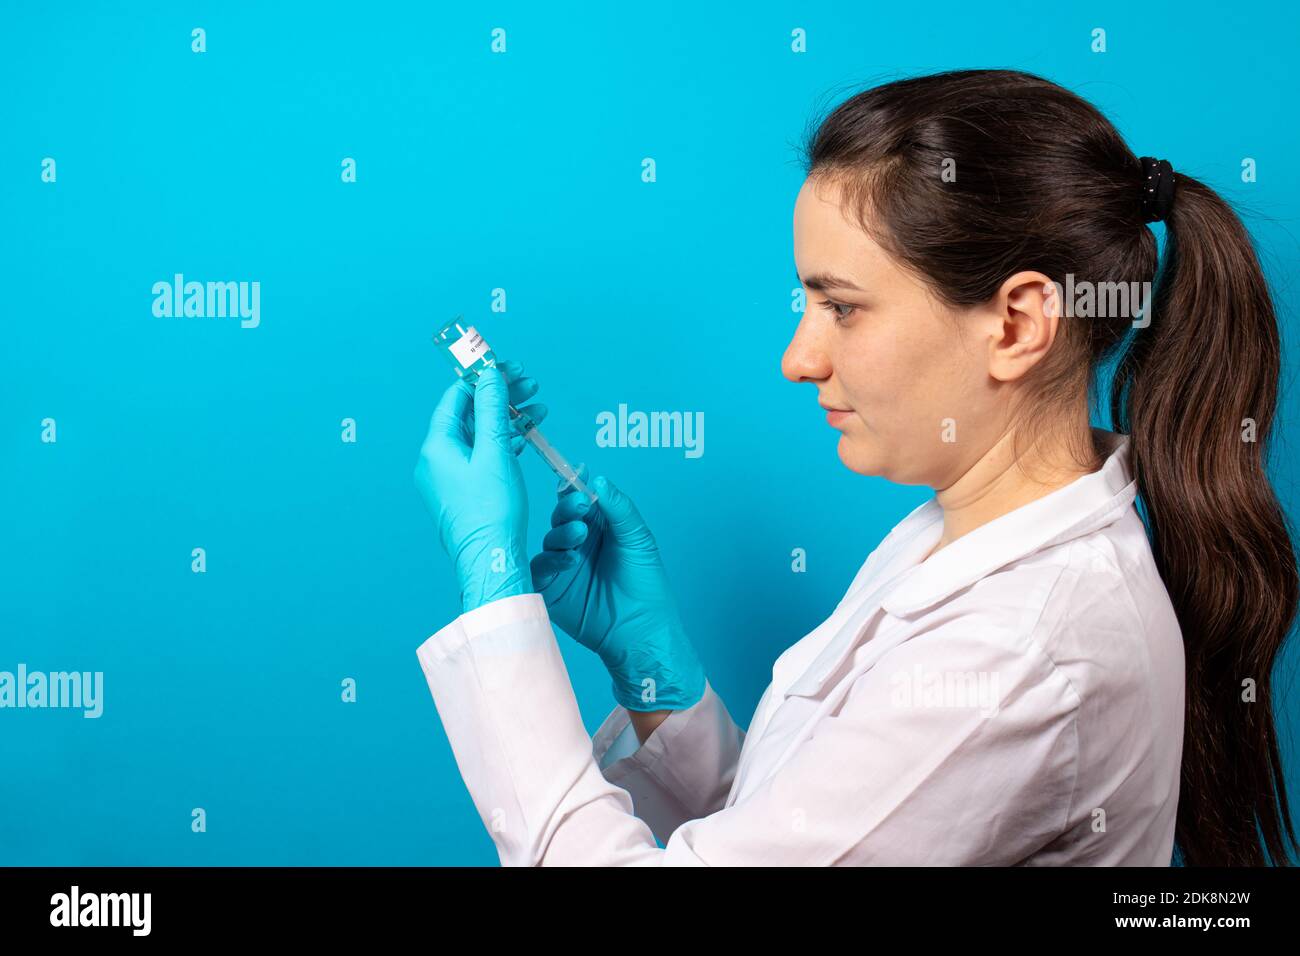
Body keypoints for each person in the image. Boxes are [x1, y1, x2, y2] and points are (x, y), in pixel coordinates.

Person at [413, 69, 1297, 866]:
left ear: (1020, 324)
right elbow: (808, 832)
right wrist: (655, 671)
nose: (798, 358)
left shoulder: (1018, 657)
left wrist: (492, 587)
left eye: (842, 306)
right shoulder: (957, 539)